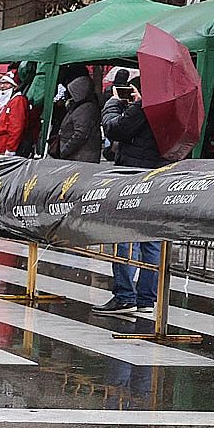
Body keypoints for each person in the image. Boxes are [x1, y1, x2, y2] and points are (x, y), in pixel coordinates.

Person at [96, 70, 169, 315]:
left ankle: (125, 296)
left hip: (134, 179)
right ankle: (147, 298)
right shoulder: (172, 110)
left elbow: (115, 129)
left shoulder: (146, 106)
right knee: (151, 238)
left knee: (126, 235)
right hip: (160, 178)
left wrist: (113, 104)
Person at [48, 74, 101, 162]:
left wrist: (65, 151)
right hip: (77, 156)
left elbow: (80, 134)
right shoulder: (80, 107)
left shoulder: (85, 109)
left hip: (80, 158)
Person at [0, 69, 30, 155]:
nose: (2, 86)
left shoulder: (18, 100)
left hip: (4, 146)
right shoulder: (8, 101)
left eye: (6, 83)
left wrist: (10, 149)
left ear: (15, 86)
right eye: (1, 83)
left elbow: (16, 128)